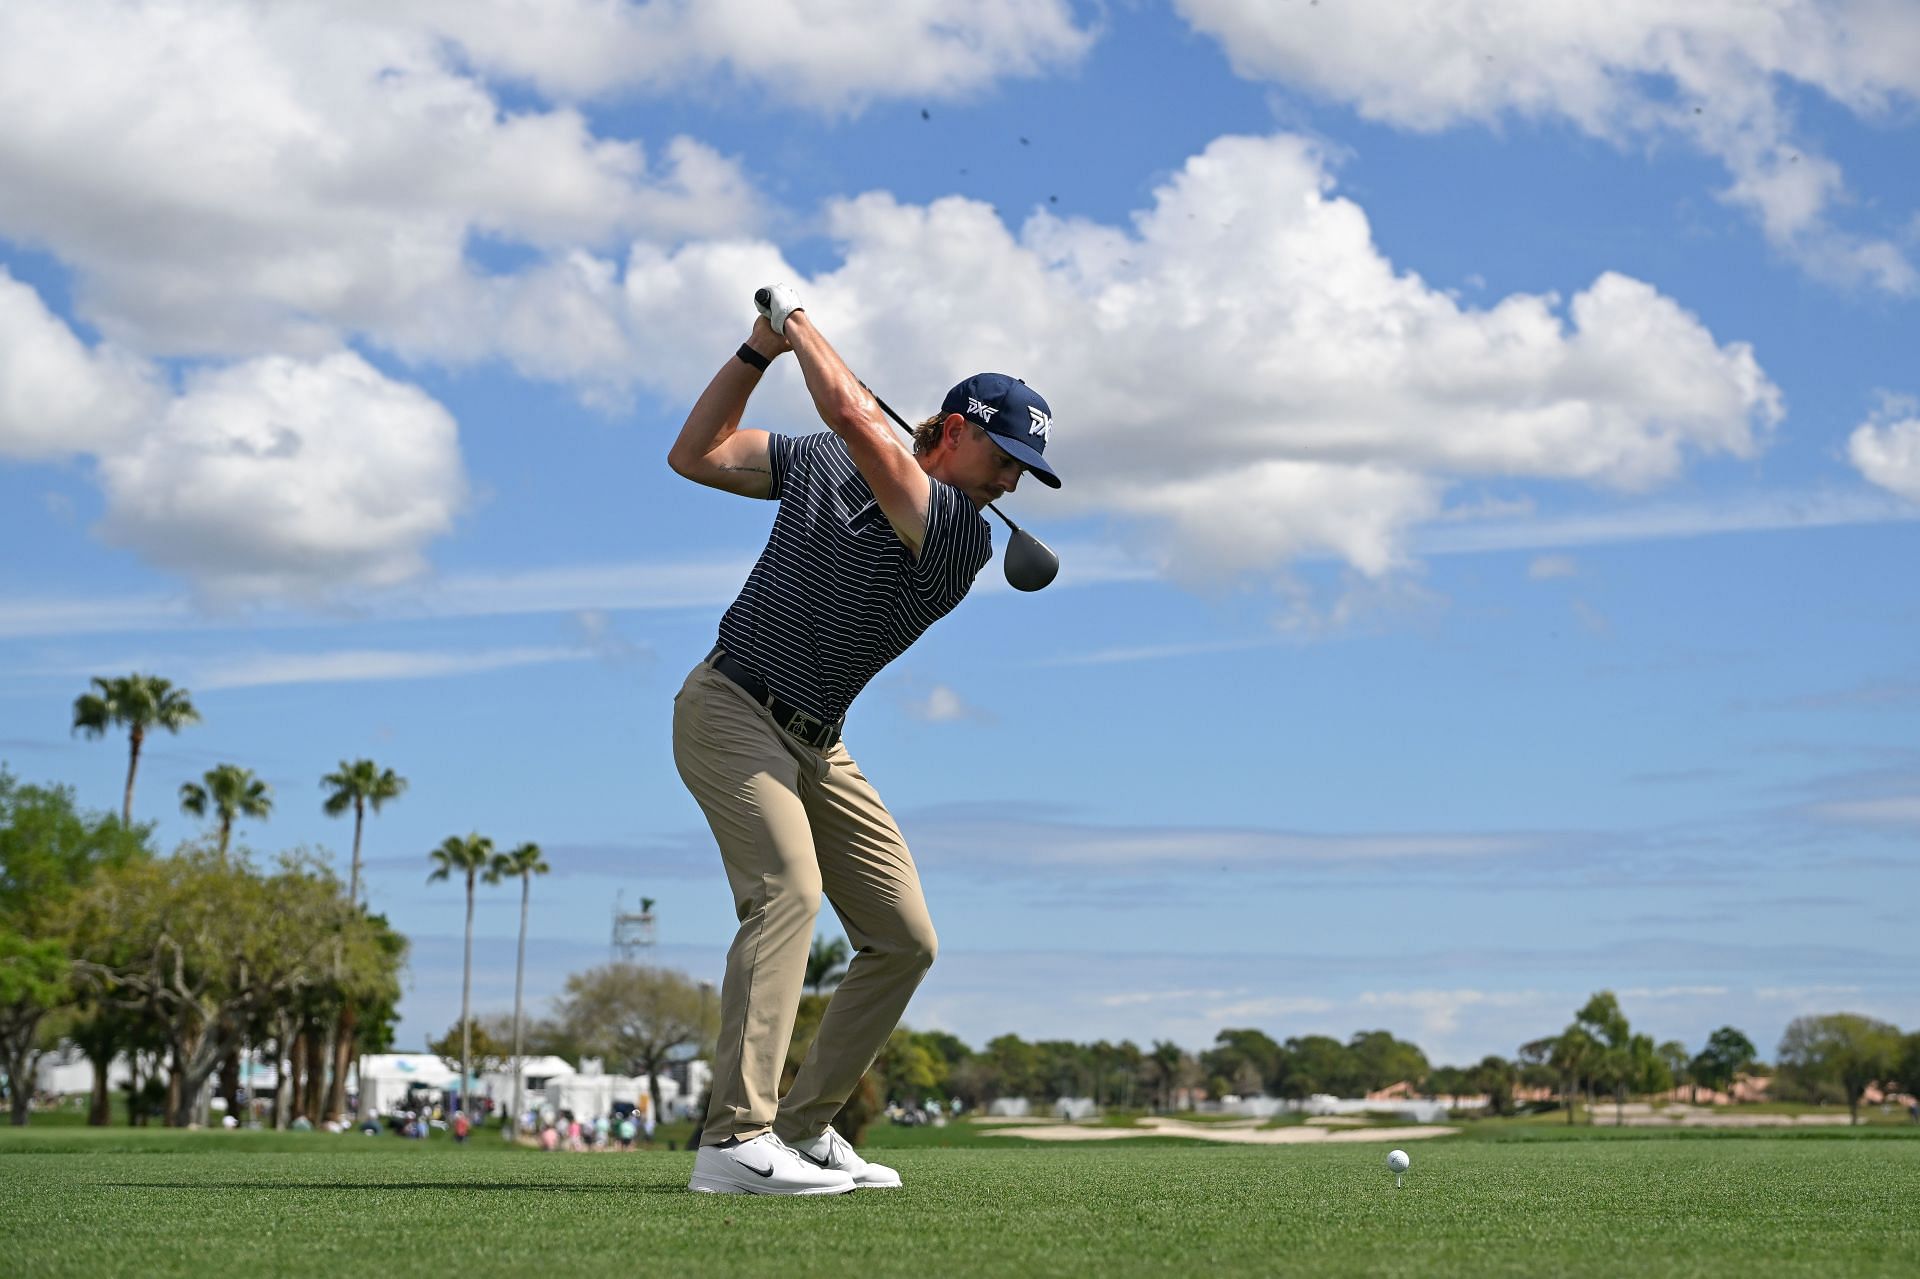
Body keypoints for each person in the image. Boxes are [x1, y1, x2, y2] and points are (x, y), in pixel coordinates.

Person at [668, 283, 1059, 1196]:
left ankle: (803, 1130)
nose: (1011, 484)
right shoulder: (823, 462)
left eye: (1022, 474)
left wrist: (791, 319)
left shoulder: (955, 532)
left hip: (818, 742)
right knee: (788, 892)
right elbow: (696, 454)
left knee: (903, 937)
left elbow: (851, 410)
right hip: (731, 703)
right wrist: (754, 354)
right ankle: (733, 1143)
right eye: (1006, 458)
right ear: (955, 430)